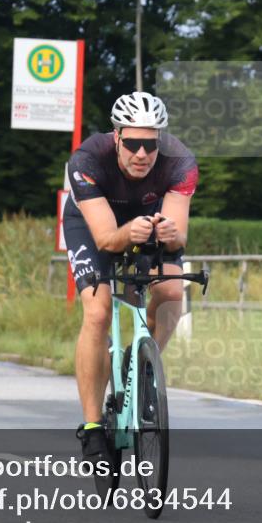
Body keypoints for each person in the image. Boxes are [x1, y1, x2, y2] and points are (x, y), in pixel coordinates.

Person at [62, 91, 198, 464]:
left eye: (150, 145)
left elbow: (179, 234)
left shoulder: (181, 162)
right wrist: (129, 233)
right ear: (117, 136)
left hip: (148, 223)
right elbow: (107, 239)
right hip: (92, 226)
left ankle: (144, 372)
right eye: (133, 143)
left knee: (172, 292)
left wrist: (170, 234)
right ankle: (92, 428)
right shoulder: (87, 160)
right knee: (98, 312)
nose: (142, 154)